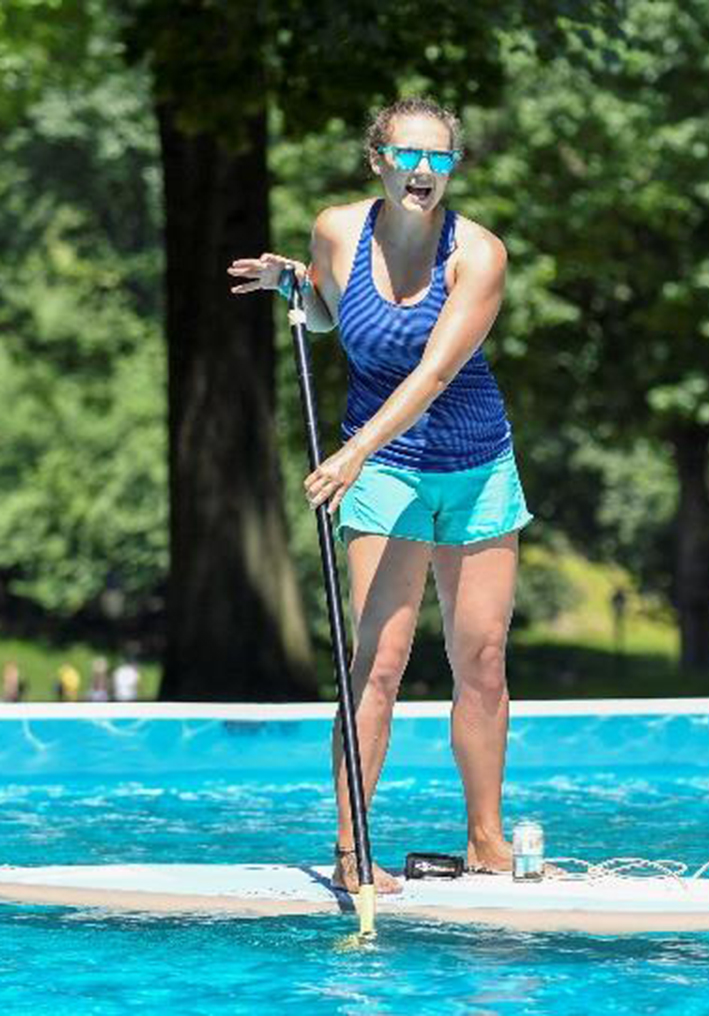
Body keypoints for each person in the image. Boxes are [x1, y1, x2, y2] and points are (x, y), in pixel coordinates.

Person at [228, 97, 532, 895]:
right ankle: (352, 847)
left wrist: (351, 450)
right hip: (384, 471)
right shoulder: (335, 230)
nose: (424, 172)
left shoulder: (479, 257)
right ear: (379, 160)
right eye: (408, 156)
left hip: (473, 468)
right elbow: (330, 315)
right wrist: (294, 283)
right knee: (378, 663)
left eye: (440, 159)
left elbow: (433, 374)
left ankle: (487, 839)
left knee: (483, 660)